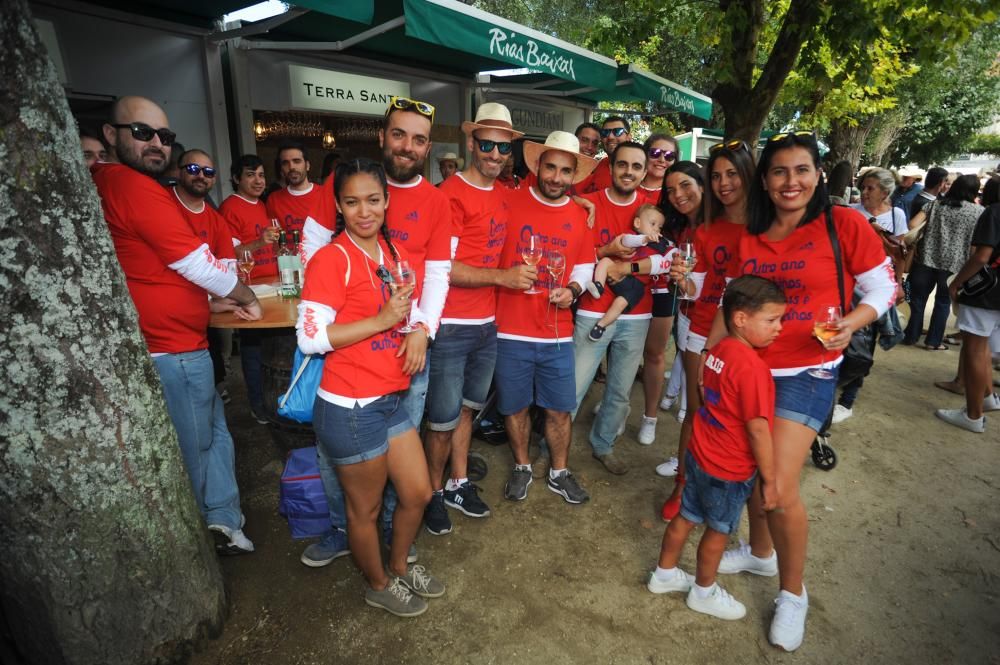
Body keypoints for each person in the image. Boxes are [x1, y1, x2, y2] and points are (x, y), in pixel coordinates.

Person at [707, 130, 895, 651]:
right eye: (779, 171)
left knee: (777, 486)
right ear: (764, 181)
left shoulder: (844, 223)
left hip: (808, 373)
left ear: (817, 175)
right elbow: (733, 303)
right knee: (750, 474)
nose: (791, 181)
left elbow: (882, 286)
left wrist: (853, 322)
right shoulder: (751, 235)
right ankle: (760, 553)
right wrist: (711, 362)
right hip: (750, 372)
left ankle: (793, 593)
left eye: (802, 170)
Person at [94, 95, 261, 555]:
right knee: (196, 444)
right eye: (142, 132)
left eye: (164, 137)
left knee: (215, 432)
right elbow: (196, 265)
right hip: (173, 350)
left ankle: (225, 519)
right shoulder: (132, 185)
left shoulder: (131, 185)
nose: (156, 144)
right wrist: (246, 297)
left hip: (188, 343)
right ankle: (200, 538)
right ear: (113, 135)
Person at [301, 95, 452, 567]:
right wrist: (334, 297)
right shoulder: (344, 190)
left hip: (405, 358)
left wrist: (421, 330)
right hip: (349, 375)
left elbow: (439, 276)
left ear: (428, 148)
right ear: (383, 137)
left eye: (419, 139)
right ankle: (350, 534)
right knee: (344, 466)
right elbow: (313, 248)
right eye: (399, 134)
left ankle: (388, 540)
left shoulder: (430, 207)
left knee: (406, 478)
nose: (407, 145)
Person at [647, 275, 783, 621]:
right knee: (718, 531)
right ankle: (703, 592)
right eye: (771, 320)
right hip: (729, 468)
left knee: (686, 515)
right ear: (740, 318)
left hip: (699, 455)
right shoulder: (754, 369)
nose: (779, 328)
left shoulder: (718, 351)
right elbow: (757, 430)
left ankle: (663, 574)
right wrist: (769, 479)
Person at [423, 102, 524, 536]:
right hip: (450, 326)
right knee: (442, 420)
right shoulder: (448, 194)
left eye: (503, 147)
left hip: (488, 325)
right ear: (470, 142)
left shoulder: (505, 194)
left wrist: (586, 206)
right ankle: (430, 494)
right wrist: (503, 276)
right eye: (487, 144)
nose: (495, 154)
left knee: (467, 412)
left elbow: (545, 204)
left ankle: (459, 483)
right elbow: (443, 267)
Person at [496, 130, 597, 504]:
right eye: (550, 167)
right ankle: (522, 466)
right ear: (537, 166)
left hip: (556, 333)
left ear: (574, 175)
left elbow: (586, 268)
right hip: (510, 329)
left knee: (559, 409)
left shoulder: (579, 215)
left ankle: (558, 472)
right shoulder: (508, 202)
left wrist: (573, 289)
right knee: (515, 406)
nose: (556, 177)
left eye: (565, 171)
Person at [656, 141, 755, 483]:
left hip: (746, 336)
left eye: (731, 174)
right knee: (697, 411)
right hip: (702, 330)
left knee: (738, 416)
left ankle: (722, 480)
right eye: (716, 176)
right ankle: (683, 485)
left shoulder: (767, 227)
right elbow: (698, 291)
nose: (723, 183)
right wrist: (682, 281)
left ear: (748, 174)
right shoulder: (706, 229)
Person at [572, 142, 652, 474]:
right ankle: (552, 446)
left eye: (636, 166)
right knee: (574, 386)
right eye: (622, 165)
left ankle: (603, 445)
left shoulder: (652, 211)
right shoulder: (589, 204)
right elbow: (576, 252)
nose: (628, 172)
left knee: (620, 391)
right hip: (594, 307)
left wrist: (630, 267)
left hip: (638, 312)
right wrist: (607, 249)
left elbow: (663, 258)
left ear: (644, 172)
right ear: (612, 166)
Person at [219, 155, 282, 423]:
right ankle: (258, 406)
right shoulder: (230, 208)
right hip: (249, 289)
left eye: (261, 175)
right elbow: (229, 252)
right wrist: (259, 241)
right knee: (253, 349)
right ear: (236, 178)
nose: (258, 180)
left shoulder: (263, 204)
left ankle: (274, 400)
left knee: (273, 348)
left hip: (272, 286)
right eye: (250, 175)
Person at [935, 191, 1000, 433]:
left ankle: (973, 415)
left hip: (986, 291)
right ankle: (986, 398)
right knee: (982, 346)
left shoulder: (994, 212)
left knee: (974, 347)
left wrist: (957, 282)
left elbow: (982, 256)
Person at [902, 174, 984, 350]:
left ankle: (910, 336)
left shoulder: (934, 205)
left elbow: (912, 224)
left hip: (926, 259)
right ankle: (933, 342)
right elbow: (975, 246)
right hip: (955, 265)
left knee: (916, 299)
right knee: (943, 303)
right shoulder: (978, 212)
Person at [585, 204, 665, 340]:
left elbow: (662, 261)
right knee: (605, 262)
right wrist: (644, 239)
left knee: (620, 303)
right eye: (653, 224)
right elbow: (627, 241)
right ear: (637, 223)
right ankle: (598, 285)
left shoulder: (660, 243)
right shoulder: (632, 236)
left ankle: (601, 326)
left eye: (659, 227)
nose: (656, 229)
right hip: (618, 276)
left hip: (636, 286)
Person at [271, 141, 332, 263]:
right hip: (290, 267)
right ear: (281, 169)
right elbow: (273, 241)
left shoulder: (326, 195)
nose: (291, 167)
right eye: (285, 163)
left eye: (296, 161)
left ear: (307, 165)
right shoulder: (274, 199)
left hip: (324, 263)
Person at [575, 116, 631, 195]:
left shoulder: (641, 169)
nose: (610, 137)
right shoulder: (597, 167)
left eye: (618, 131)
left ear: (629, 137)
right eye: (605, 132)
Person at [851, 168, 907, 239]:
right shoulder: (851, 210)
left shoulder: (897, 215)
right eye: (863, 188)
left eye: (870, 188)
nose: (863, 192)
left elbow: (898, 246)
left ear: (884, 193)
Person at [638, 134, 678, 204]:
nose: (662, 160)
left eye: (669, 155)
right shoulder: (628, 186)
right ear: (644, 154)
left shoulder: (676, 194)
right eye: (655, 153)